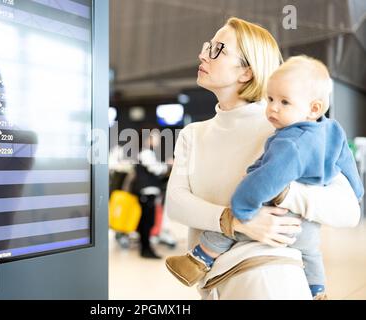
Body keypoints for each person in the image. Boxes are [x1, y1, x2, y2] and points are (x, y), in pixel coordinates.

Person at [165, 17, 361, 300]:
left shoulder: (289, 128)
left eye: (217, 49)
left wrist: (283, 194)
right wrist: (235, 221)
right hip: (215, 284)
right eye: (208, 46)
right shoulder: (192, 135)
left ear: (246, 71)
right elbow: (176, 204)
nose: (202, 54)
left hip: (270, 278)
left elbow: (348, 210)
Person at [133, 131, 169, 259]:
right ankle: (146, 249)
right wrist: (168, 165)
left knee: (147, 222)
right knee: (147, 222)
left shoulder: (146, 152)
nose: (158, 139)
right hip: (147, 192)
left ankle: (146, 248)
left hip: (149, 192)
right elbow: (156, 169)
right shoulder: (146, 153)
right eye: (156, 136)